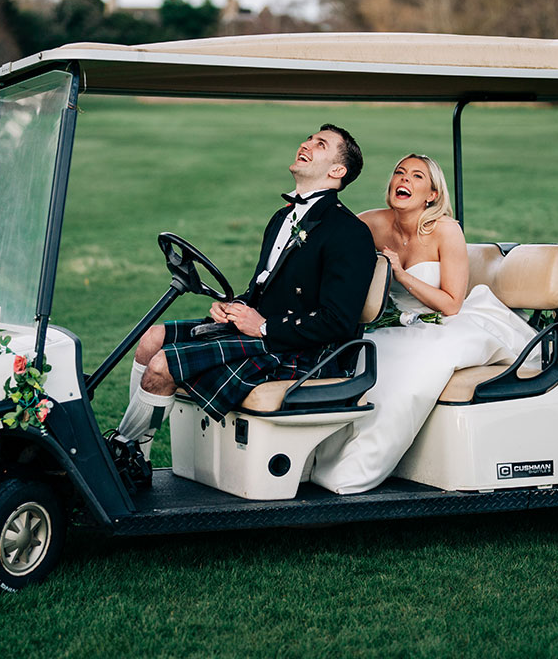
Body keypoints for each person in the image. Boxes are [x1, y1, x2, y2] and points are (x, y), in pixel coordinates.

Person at [115, 125, 375, 471]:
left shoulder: (349, 232)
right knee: (151, 340)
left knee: (162, 365)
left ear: (337, 171)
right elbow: (262, 289)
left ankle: (122, 452)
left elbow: (338, 321)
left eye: (320, 144)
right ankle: (136, 457)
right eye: (309, 139)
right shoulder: (283, 217)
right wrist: (234, 306)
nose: (306, 144)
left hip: (295, 351)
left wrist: (266, 327)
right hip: (258, 333)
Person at [310, 153, 539, 495]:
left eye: (417, 177)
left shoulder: (446, 229)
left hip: (449, 323)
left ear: (432, 194)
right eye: (400, 173)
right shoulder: (370, 223)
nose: (404, 180)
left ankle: (354, 475)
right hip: (395, 325)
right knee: (360, 369)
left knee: (408, 380)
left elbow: (451, 303)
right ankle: (319, 465)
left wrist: (400, 274)